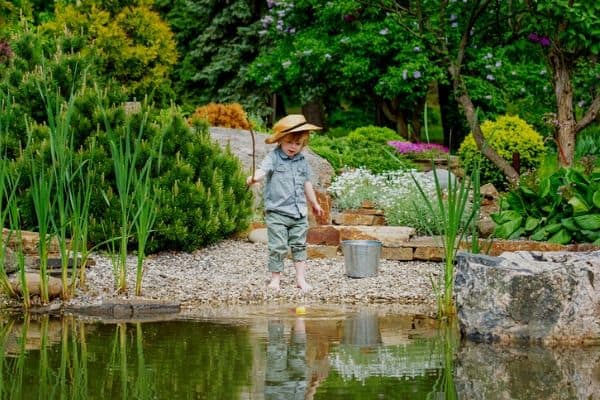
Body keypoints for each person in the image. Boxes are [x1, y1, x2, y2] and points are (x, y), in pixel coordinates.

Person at [247, 114, 324, 291]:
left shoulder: (302, 161)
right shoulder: (273, 158)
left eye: (298, 144)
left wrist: (315, 204)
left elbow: (307, 183)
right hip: (277, 213)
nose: (293, 147)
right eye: (289, 142)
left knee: (299, 245)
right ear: (280, 140)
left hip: (299, 213)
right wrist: (254, 178)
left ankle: (300, 279)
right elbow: (262, 170)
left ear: (303, 145)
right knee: (278, 246)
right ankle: (275, 279)